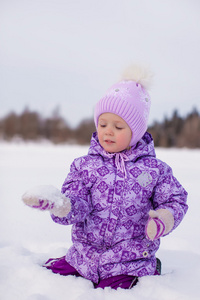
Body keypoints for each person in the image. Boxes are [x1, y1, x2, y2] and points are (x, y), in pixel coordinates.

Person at [22, 65, 188, 290]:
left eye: (118, 126)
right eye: (102, 124)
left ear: (135, 132)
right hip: (83, 258)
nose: (108, 131)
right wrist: (62, 205)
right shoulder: (84, 166)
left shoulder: (154, 169)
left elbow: (175, 200)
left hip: (130, 260)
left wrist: (164, 219)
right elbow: (79, 204)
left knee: (113, 290)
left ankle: (147, 269)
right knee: (49, 278)